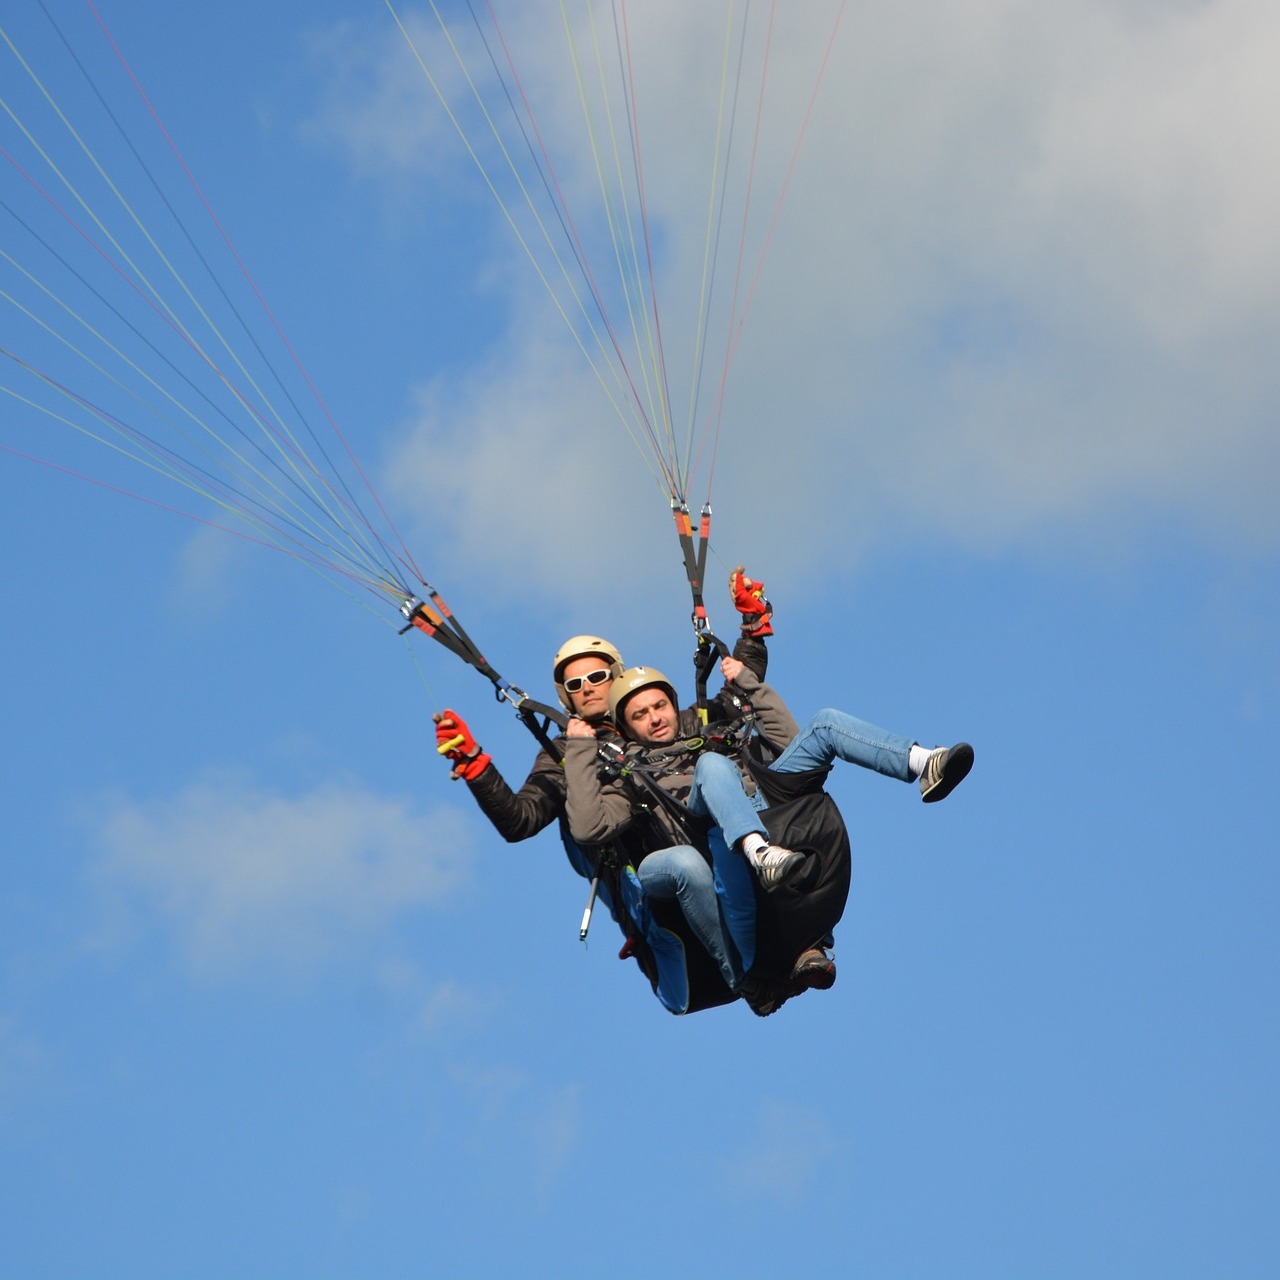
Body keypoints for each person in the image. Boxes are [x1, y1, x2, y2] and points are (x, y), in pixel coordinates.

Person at [562, 658, 974, 1012]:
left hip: (768, 820)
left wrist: (747, 681)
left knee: (824, 723)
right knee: (710, 772)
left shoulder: (711, 741)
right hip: (704, 859)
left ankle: (923, 762)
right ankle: (758, 856)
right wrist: (580, 752)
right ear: (627, 728)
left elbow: (787, 741)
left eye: (660, 706)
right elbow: (587, 827)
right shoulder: (628, 782)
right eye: (640, 715)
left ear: (672, 705)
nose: (655, 718)